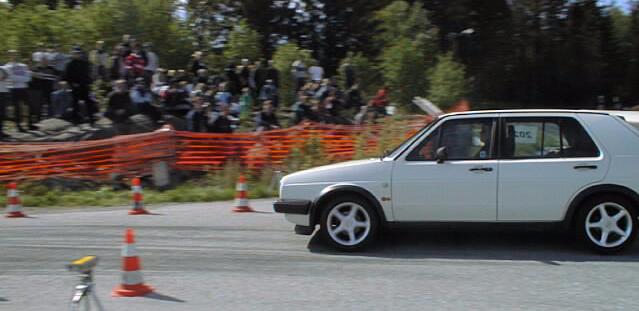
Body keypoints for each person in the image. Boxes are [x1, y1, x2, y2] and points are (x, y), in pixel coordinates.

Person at [63, 48, 93, 124]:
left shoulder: (84, 63)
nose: (77, 55)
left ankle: (91, 118)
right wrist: (72, 83)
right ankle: (75, 120)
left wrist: (87, 82)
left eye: (78, 53)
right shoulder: (69, 64)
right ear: (73, 54)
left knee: (88, 101)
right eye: (75, 53)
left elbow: (87, 75)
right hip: (75, 86)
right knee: (75, 103)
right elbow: (66, 76)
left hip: (84, 86)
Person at [5, 50, 32, 131]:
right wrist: (22, 78)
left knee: (28, 107)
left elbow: (28, 78)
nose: (13, 56)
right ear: (8, 55)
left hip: (24, 88)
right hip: (13, 89)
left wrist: (17, 79)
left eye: (15, 54)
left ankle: (29, 124)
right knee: (16, 108)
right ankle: (18, 126)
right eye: (11, 54)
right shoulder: (6, 67)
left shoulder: (23, 66)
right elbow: (10, 78)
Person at [29, 58, 58, 124]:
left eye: (45, 61)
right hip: (40, 90)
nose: (44, 63)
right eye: (42, 61)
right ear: (40, 62)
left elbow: (54, 77)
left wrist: (42, 76)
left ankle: (51, 118)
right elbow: (34, 78)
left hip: (50, 89)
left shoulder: (51, 68)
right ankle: (40, 120)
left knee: (50, 104)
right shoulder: (37, 68)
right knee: (40, 105)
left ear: (48, 62)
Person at [0, 66, 9, 138]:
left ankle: (1, 131)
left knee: (2, 113)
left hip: (3, 92)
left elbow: (7, 76)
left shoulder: (3, 68)